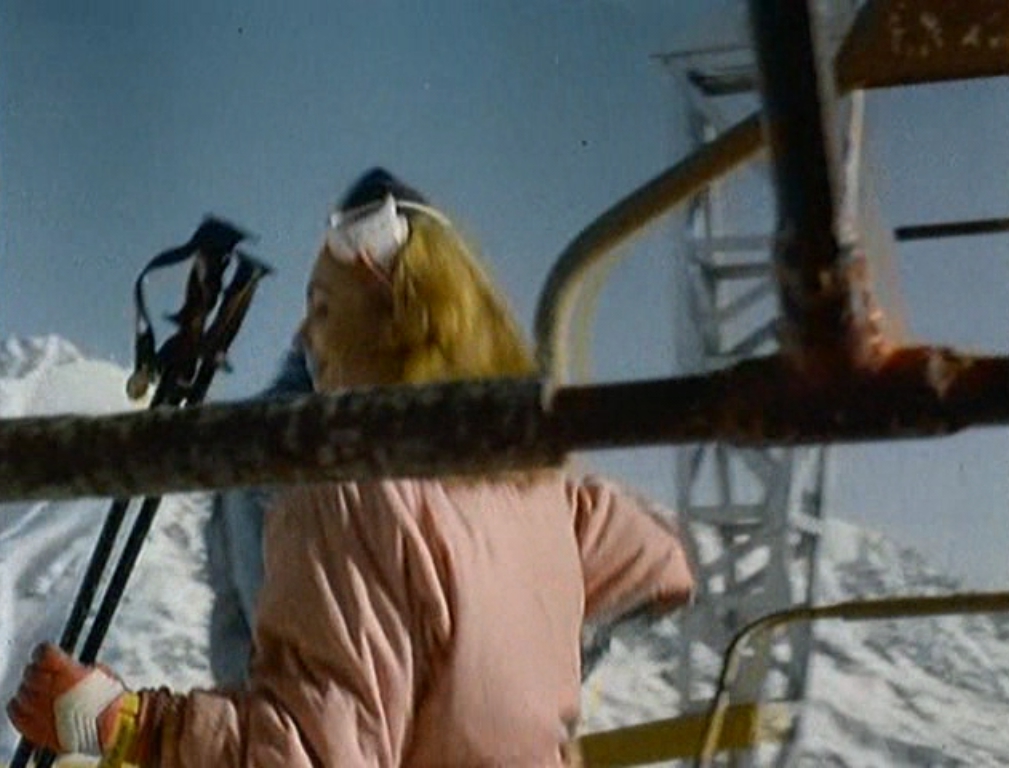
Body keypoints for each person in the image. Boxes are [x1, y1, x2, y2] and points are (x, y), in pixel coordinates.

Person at [7, 168, 695, 767]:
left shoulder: (349, 492)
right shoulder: (534, 485)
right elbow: (659, 560)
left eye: (323, 308)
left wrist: (126, 725)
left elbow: (311, 755)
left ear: (393, 315)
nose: (306, 335)